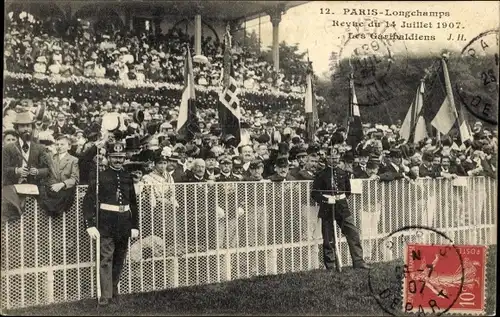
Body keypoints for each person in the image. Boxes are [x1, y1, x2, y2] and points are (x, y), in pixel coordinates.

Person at [82, 141, 139, 306]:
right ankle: (105, 295)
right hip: (106, 223)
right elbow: (89, 201)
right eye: (115, 157)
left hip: (124, 223)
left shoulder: (128, 176)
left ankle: (113, 290)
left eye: (121, 158)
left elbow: (133, 203)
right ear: (108, 158)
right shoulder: (101, 176)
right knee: (106, 258)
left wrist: (134, 225)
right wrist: (90, 224)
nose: (119, 161)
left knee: (119, 258)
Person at [311, 147, 370, 270]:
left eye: (337, 157)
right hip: (327, 208)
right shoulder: (321, 175)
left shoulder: (344, 173)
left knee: (353, 232)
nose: (335, 160)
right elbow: (314, 194)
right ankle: (331, 265)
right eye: (332, 158)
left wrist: (340, 199)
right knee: (328, 238)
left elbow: (348, 191)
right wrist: (326, 200)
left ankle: (358, 261)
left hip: (342, 208)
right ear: (327, 158)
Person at [39, 135, 80, 217]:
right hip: (50, 190)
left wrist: (62, 184)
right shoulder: (50, 157)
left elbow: (74, 178)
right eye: (57, 144)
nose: (59, 147)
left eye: (62, 144)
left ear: (69, 147)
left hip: (64, 191)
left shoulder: (73, 160)